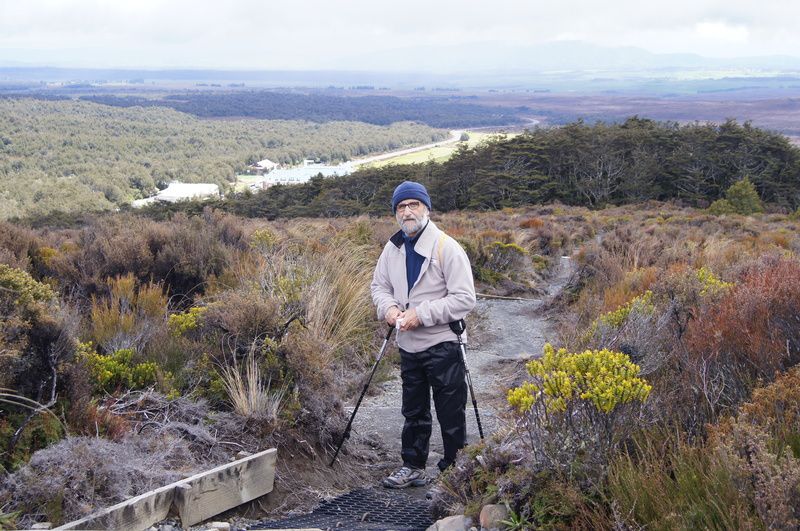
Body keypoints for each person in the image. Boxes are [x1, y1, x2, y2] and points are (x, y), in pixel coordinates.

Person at [370, 180, 476, 488]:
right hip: (408, 345)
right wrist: (388, 310)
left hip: (444, 343)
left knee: (450, 411)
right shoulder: (392, 249)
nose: (407, 211)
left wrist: (421, 314)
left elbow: (464, 298)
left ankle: (453, 472)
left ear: (426, 208)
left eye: (413, 204)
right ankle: (413, 466)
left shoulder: (447, 247)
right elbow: (379, 287)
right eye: (401, 207)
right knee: (413, 410)